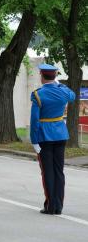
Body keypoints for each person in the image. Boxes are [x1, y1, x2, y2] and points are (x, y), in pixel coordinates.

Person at [30, 64, 75, 215]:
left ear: (42, 76)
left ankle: (50, 206)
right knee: (58, 171)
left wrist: (34, 141)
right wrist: (59, 83)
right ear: (55, 76)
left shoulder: (38, 94)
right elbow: (72, 95)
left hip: (44, 136)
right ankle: (58, 206)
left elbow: (35, 120)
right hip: (61, 135)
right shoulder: (63, 92)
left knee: (47, 172)